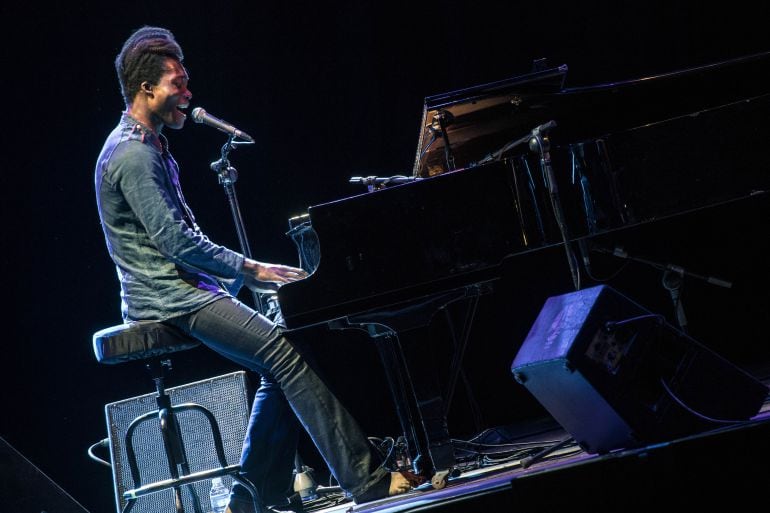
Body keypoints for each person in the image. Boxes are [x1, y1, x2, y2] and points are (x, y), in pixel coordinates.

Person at [95, 25, 422, 513]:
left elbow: (181, 241)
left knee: (282, 360)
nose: (187, 93)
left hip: (186, 289)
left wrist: (246, 272)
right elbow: (176, 242)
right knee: (286, 356)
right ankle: (368, 482)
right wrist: (249, 270)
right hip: (170, 299)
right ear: (147, 89)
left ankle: (250, 498)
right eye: (177, 84)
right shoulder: (134, 154)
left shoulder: (148, 145)